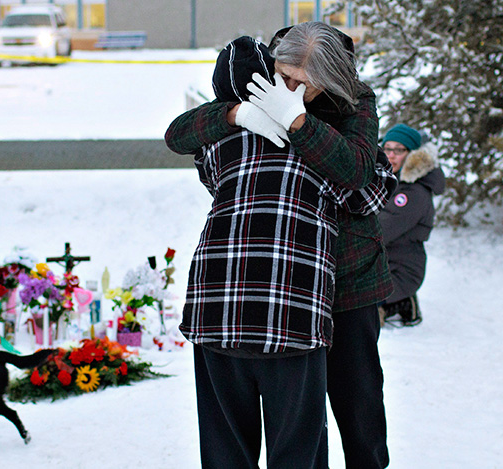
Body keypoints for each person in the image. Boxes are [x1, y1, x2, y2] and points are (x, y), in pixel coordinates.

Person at [166, 22, 395, 469]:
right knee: (296, 419)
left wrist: (298, 122)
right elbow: (181, 136)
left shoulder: (354, 101)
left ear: (329, 80)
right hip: (284, 284)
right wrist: (235, 115)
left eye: (302, 83)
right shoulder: (260, 88)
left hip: (347, 279)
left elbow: (359, 173)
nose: (287, 87)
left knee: (359, 407)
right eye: (283, 74)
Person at [378, 124, 445, 326]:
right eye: (387, 148)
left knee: (354, 307)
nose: (391, 155)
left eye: (398, 150)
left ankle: (400, 303)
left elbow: (380, 230)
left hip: (400, 271)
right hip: (382, 264)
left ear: (412, 155)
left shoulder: (413, 193)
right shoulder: (389, 180)